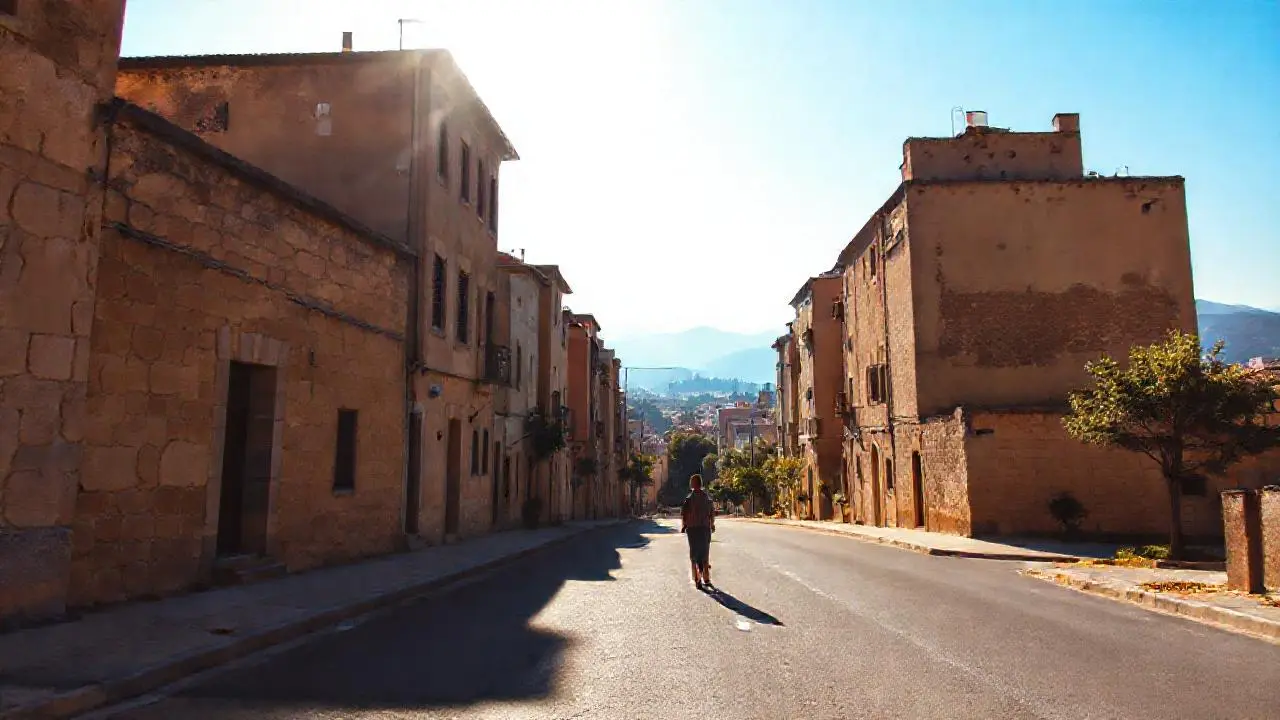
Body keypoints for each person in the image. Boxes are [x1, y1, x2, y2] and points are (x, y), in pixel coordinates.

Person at [681, 474, 716, 589]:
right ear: (700, 484)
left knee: (694, 554)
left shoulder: (689, 499)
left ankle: (697, 578)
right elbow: (712, 513)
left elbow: (684, 515)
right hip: (705, 529)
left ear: (692, 484)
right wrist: (712, 524)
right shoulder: (707, 498)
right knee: (705, 554)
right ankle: (706, 578)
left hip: (692, 530)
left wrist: (684, 525)